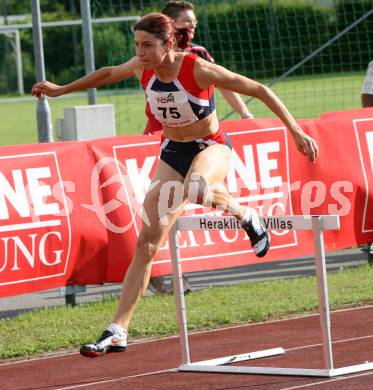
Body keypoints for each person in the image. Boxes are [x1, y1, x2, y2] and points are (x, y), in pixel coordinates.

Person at [31, 12, 318, 358]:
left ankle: (247, 214)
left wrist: (296, 131)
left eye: (147, 46)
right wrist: (62, 90)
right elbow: (107, 73)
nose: (139, 53)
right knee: (146, 244)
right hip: (172, 153)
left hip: (211, 147)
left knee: (197, 188)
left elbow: (259, 89)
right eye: (136, 45)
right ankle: (118, 329)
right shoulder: (142, 68)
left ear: (168, 44)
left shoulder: (196, 68)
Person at [143, 0, 253, 135]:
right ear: (170, 24)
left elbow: (224, 84)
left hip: (198, 135)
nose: (193, 25)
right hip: (158, 134)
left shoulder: (199, 53)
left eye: (194, 21)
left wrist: (245, 114)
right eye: (187, 20)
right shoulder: (151, 55)